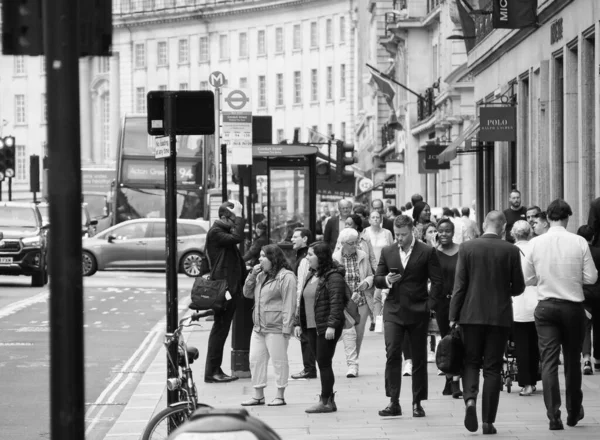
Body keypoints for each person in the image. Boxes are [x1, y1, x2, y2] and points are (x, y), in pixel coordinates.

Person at [523, 199, 598, 430]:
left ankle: (553, 414)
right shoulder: (578, 242)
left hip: (546, 307)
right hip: (572, 307)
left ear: (547, 218)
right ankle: (574, 410)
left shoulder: (536, 243)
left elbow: (526, 278)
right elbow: (591, 278)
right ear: (567, 217)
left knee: (548, 361)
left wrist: (543, 278)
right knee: (573, 361)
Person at [449, 210, 525, 435]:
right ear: (503, 228)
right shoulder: (511, 250)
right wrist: (503, 290)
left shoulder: (467, 248)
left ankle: (470, 400)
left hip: (470, 315)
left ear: (484, 224)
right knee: (492, 367)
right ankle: (488, 421)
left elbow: (459, 286)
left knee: (470, 361)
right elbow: (519, 287)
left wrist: (454, 315)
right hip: (499, 317)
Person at [374, 215, 443, 418]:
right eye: (397, 234)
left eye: (403, 235)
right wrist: (386, 279)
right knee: (393, 353)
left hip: (417, 310)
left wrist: (429, 305)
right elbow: (378, 278)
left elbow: (437, 282)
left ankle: (417, 402)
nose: (400, 239)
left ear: (412, 231)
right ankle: (393, 401)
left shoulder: (427, 251)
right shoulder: (388, 251)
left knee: (419, 357)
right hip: (393, 310)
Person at [294, 242, 347, 413]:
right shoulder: (312, 274)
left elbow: (336, 303)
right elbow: (303, 301)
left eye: (310, 254)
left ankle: (326, 401)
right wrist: (298, 323)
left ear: (321, 257)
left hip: (325, 327)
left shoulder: (334, 277)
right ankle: (327, 399)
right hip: (311, 326)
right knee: (321, 362)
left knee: (324, 363)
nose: (307, 257)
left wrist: (332, 326)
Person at [241, 245, 297, 407]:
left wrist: (287, 328)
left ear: (273, 259)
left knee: (279, 361)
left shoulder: (286, 277)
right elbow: (247, 293)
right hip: (259, 326)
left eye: (263, 256)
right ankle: (258, 395)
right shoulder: (260, 276)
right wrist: (252, 275)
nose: (259, 259)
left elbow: (289, 303)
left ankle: (280, 394)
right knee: (255, 359)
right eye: (260, 256)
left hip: (276, 327)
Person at [201, 201, 248, 383]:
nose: (235, 224)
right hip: (224, 290)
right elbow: (237, 237)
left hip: (230, 288)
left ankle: (215, 369)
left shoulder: (222, 231)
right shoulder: (216, 232)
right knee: (220, 330)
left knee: (221, 330)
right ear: (223, 217)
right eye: (232, 220)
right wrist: (240, 217)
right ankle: (211, 372)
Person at [333, 228, 374, 378]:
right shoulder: (335, 258)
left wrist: (366, 283)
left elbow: (370, 275)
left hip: (361, 300)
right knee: (347, 332)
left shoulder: (362, 255)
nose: (355, 246)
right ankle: (351, 364)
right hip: (344, 301)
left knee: (358, 333)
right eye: (351, 243)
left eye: (356, 242)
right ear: (343, 243)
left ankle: (353, 363)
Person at [511, 220, 540, 397]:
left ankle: (526, 384)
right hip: (536, 300)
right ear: (530, 233)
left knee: (521, 345)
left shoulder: (510, 250)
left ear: (513, 233)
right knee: (535, 344)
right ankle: (534, 380)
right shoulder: (537, 248)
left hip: (517, 302)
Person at [434, 218, 462, 398]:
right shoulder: (433, 253)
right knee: (446, 341)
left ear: (453, 232)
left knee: (459, 341)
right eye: (441, 231)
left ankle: (456, 381)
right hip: (442, 303)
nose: (444, 234)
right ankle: (449, 380)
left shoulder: (462, 251)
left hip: (460, 302)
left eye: (448, 231)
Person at [290, 228, 317, 380]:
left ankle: (309, 368)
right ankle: (309, 367)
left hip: (306, 301)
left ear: (305, 239)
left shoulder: (305, 259)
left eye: (295, 237)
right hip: (307, 301)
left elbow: (302, 284)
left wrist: (298, 307)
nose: (292, 239)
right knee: (307, 335)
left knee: (306, 335)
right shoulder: (302, 256)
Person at [576, 225, 600, 375]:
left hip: (583, 294)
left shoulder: (577, 254)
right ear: (592, 237)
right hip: (598, 293)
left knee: (585, 327)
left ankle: (586, 359)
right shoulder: (598, 252)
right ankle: (598, 359)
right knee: (599, 325)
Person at [362, 211, 394, 322]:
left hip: (384, 266)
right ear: (369, 220)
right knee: (369, 294)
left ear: (381, 220)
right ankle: (373, 319)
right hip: (369, 266)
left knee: (378, 294)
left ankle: (377, 320)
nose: (375, 219)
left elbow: (392, 249)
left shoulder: (387, 233)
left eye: (377, 217)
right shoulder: (365, 232)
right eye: (373, 217)